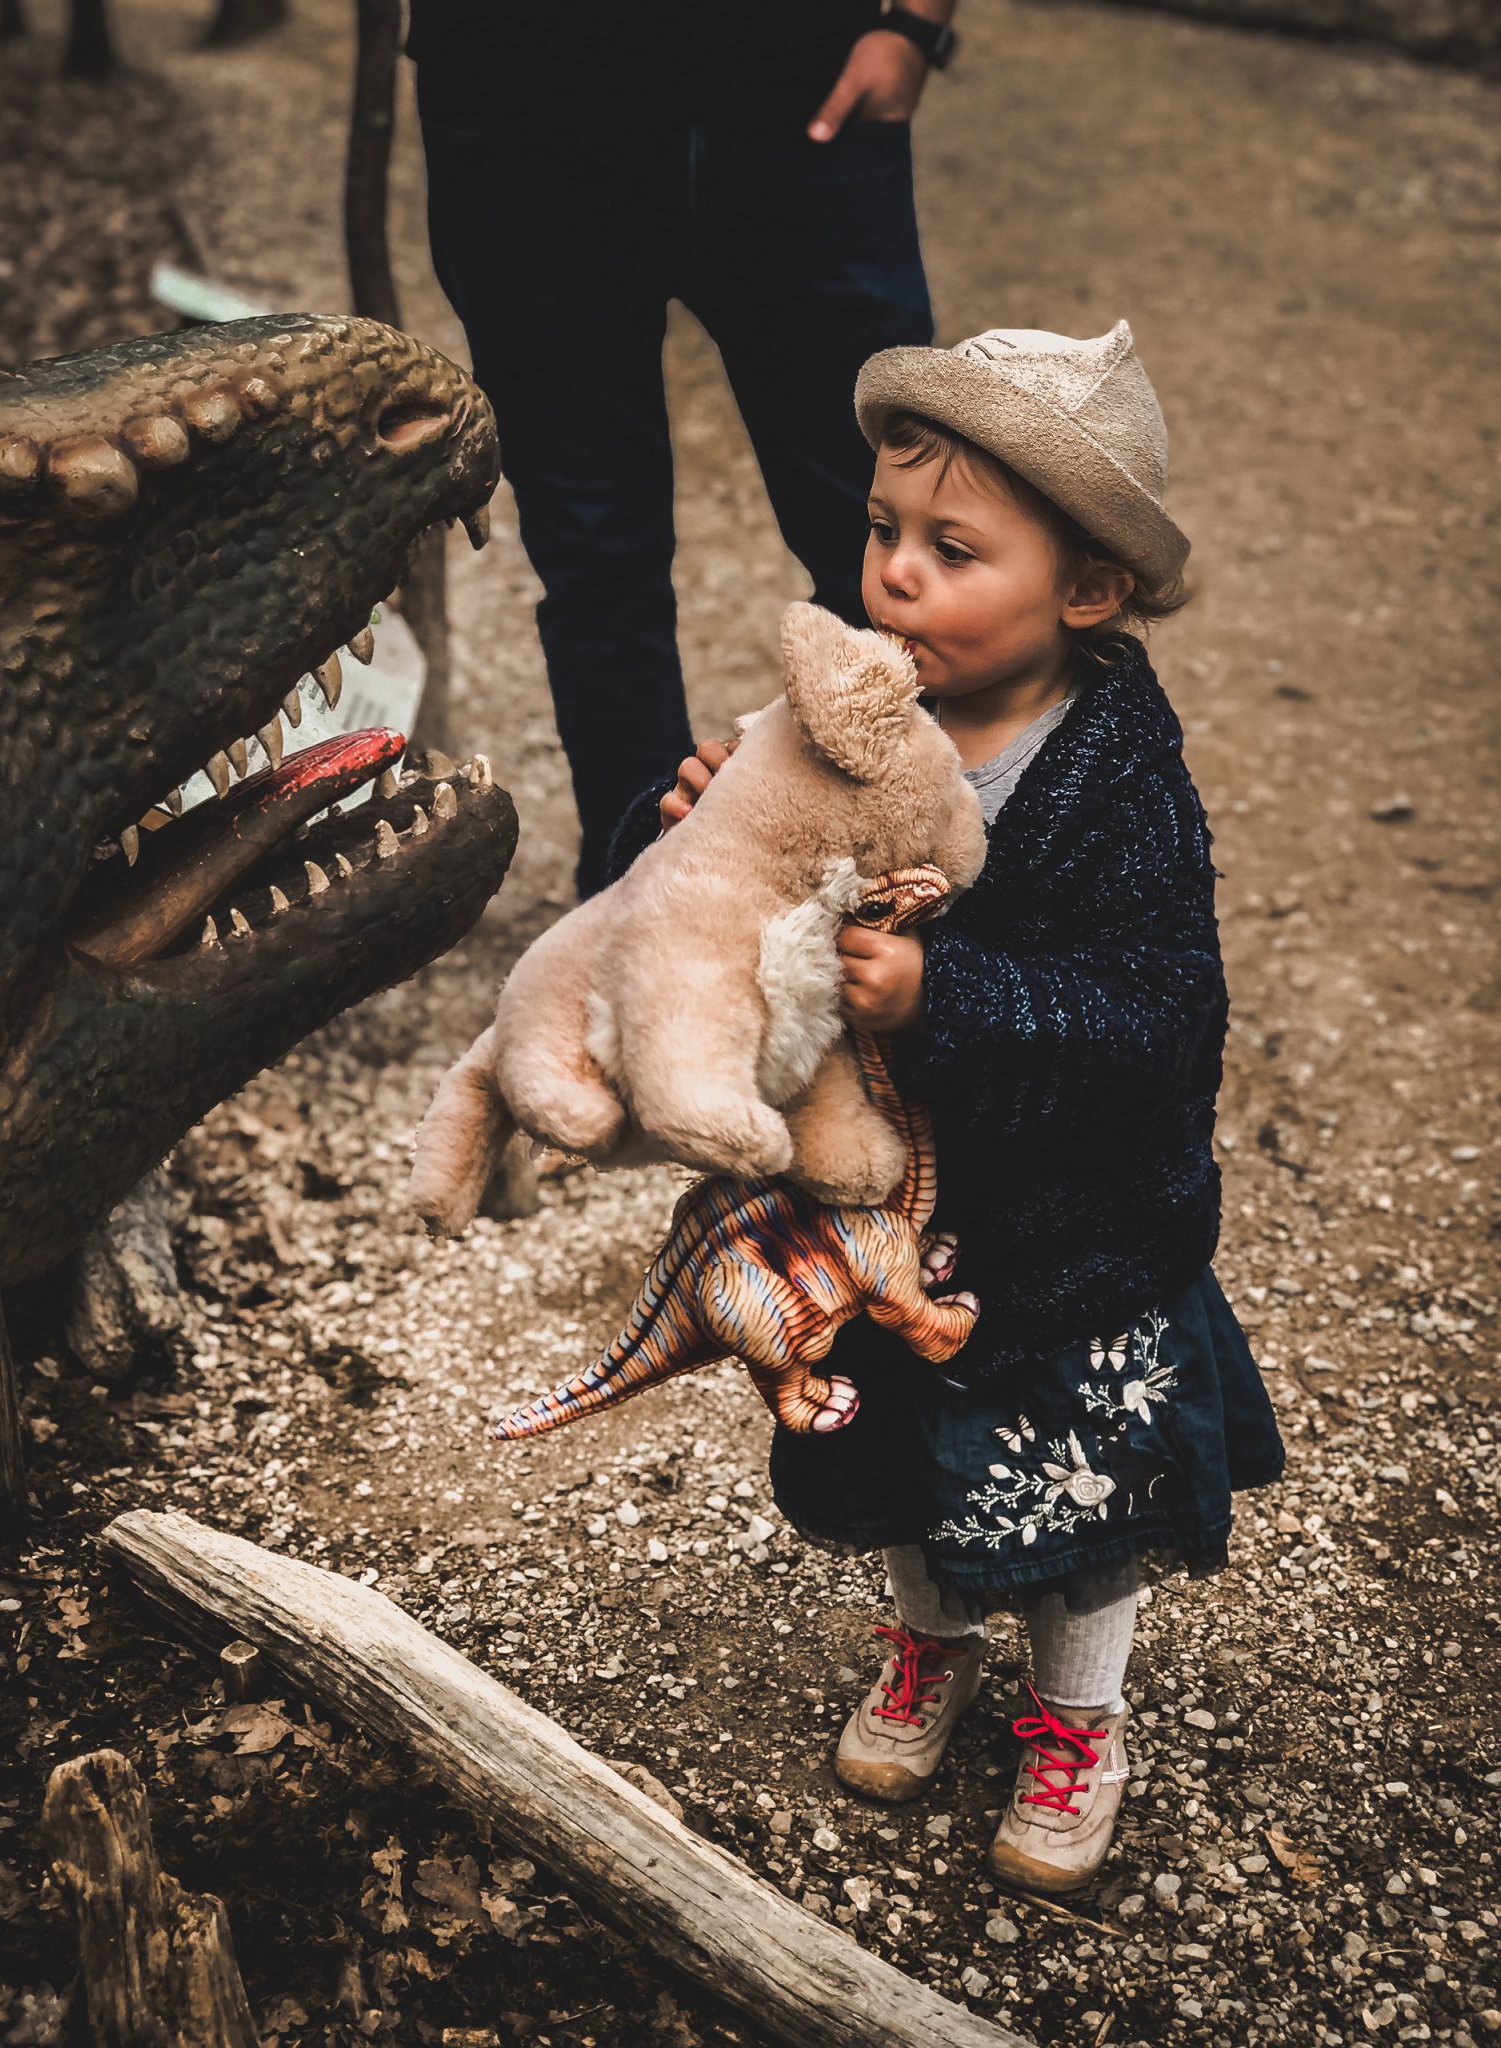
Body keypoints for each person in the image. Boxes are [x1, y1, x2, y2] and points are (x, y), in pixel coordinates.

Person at [627, 322, 1284, 1895]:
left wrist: (947, 997)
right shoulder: (855, 728)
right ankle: (929, 1643)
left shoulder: (1117, 775)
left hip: (1070, 1228)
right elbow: (769, 896)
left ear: (1090, 591)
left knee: (1079, 1490)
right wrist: (723, 839)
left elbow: (1160, 1018)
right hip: (891, 1226)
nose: (894, 576)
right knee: (912, 1464)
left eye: (951, 548)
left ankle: (1077, 1713)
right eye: (881, 532)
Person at [408, 0, 956, 895]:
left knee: (892, 534)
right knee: (595, 562)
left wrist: (917, 23)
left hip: (797, 89)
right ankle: (643, 914)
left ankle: (891, 904)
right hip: (515, 99)